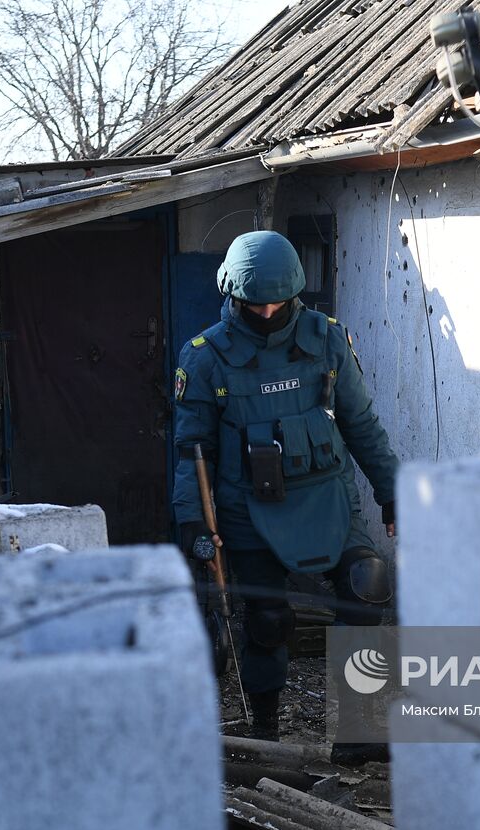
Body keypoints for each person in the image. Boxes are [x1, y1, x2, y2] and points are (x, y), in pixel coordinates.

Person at [172, 230, 399, 745]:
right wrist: (191, 522)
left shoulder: (327, 340)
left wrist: (392, 491)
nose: (270, 312)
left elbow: (361, 424)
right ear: (233, 294)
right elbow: (192, 451)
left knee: (368, 584)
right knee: (268, 618)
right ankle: (267, 729)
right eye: (257, 304)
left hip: (327, 495)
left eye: (280, 301)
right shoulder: (205, 358)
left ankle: (359, 729)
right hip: (247, 507)